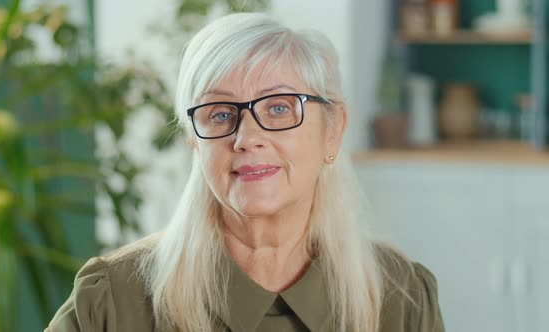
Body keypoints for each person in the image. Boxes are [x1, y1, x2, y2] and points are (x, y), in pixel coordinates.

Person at [46, 12, 445, 332]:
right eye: (220, 114)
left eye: (278, 107)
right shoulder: (112, 301)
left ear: (333, 129)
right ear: (194, 142)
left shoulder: (402, 298)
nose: (246, 137)